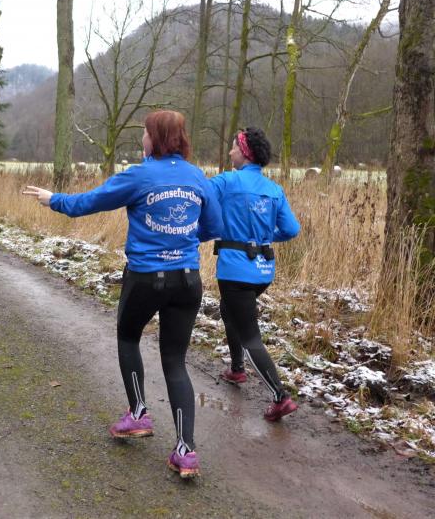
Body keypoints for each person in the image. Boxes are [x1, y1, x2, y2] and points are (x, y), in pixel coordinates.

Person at [23, 110, 222, 478]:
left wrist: (54, 199)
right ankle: (186, 450)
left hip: (146, 278)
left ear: (156, 138)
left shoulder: (139, 175)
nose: (141, 139)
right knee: (175, 361)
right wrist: (180, 237)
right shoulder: (199, 177)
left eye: (145, 133)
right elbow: (213, 227)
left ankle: (139, 413)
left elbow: (89, 203)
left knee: (128, 337)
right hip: (188, 280)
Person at [210, 127, 301, 421]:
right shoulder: (274, 189)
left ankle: (280, 397)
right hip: (262, 272)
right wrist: (262, 237)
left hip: (235, 272)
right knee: (229, 310)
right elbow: (291, 229)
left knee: (250, 335)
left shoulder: (227, 181)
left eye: (234, 147)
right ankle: (237, 370)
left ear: (245, 152)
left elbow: (198, 196)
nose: (230, 152)